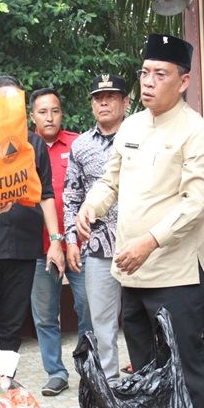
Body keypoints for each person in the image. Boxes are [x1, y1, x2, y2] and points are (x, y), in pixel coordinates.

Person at [77, 34, 204, 408]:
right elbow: (110, 181)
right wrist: (91, 207)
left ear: (184, 81)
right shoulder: (132, 126)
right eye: (144, 72)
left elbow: (195, 204)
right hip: (131, 271)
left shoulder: (197, 131)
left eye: (160, 73)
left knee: (185, 365)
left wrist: (150, 241)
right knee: (144, 368)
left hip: (175, 275)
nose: (149, 82)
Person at [0, 76, 65, 359]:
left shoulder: (33, 144)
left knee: (11, 330)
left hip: (23, 250)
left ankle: (6, 392)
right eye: (5, 101)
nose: (11, 106)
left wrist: (55, 241)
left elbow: (45, 195)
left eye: (17, 100)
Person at [64, 74, 129, 380]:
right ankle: (111, 381)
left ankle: (150, 375)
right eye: (98, 98)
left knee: (144, 314)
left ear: (125, 102)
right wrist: (71, 239)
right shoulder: (80, 146)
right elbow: (72, 195)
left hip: (138, 241)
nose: (103, 102)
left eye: (111, 97)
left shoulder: (140, 136)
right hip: (99, 244)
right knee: (101, 318)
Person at [29, 86, 92, 394]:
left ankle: (89, 368)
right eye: (42, 111)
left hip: (78, 244)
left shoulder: (78, 144)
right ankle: (56, 372)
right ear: (32, 116)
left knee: (87, 306)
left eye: (54, 110)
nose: (49, 117)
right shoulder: (22, 148)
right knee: (44, 314)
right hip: (39, 247)